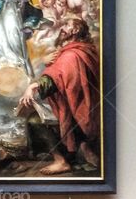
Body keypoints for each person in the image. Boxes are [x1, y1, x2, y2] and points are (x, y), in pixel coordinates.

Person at [18, 15, 100, 174]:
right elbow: (59, 75)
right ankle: (76, 151)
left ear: (75, 30)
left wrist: (32, 87)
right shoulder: (79, 50)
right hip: (79, 108)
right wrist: (45, 63)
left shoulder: (72, 55)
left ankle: (61, 161)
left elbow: (55, 80)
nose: (62, 29)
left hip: (77, 113)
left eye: (67, 26)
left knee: (34, 120)